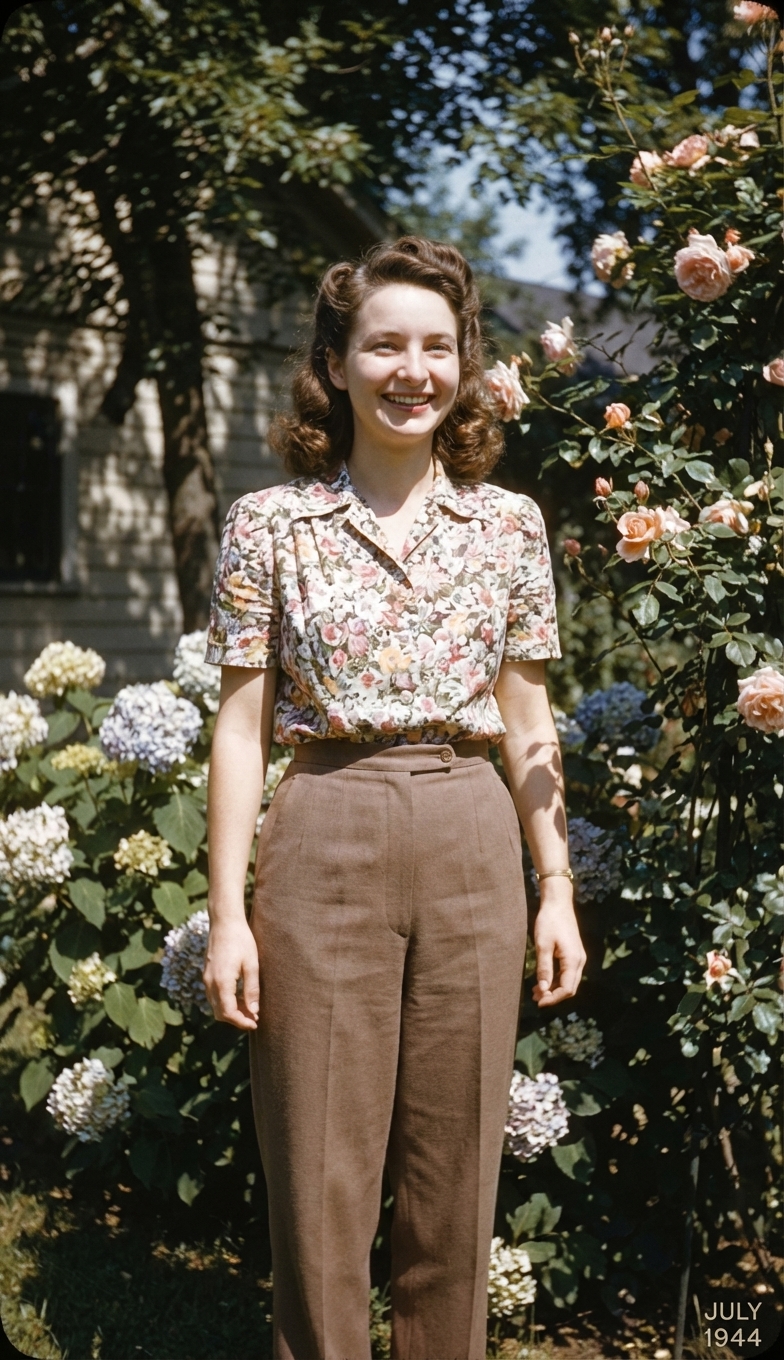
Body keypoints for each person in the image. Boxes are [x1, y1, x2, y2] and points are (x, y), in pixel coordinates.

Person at [203, 236, 586, 1360]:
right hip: (323, 830)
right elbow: (237, 730)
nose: (411, 370)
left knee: (453, 1176)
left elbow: (529, 721)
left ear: (463, 365)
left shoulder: (509, 525)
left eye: (435, 346)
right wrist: (228, 911)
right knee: (319, 1172)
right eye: (383, 345)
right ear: (336, 362)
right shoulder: (267, 526)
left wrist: (554, 885)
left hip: (473, 835)